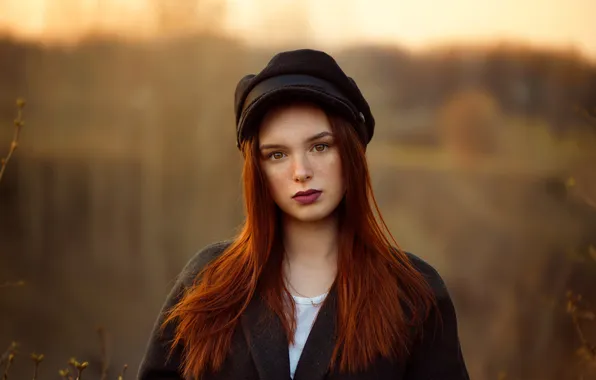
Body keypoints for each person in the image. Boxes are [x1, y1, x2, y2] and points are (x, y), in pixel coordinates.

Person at [138, 49, 469, 380]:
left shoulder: (414, 293)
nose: (301, 171)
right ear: (258, 170)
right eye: (277, 154)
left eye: (320, 146)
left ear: (351, 152)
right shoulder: (208, 282)